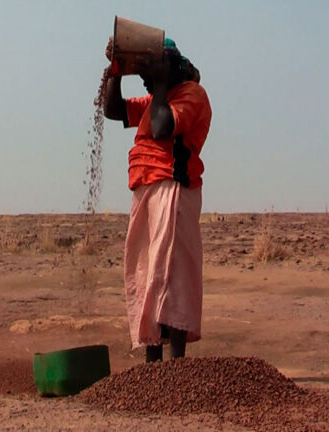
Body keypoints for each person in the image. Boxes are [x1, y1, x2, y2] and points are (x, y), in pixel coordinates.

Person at [103, 37, 212, 363]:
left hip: (173, 188)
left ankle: (176, 365)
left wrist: (161, 84)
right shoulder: (156, 100)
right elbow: (114, 110)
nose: (146, 82)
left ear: (170, 69)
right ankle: (154, 365)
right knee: (149, 273)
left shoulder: (191, 94)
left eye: (150, 74)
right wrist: (116, 71)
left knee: (172, 274)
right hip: (147, 188)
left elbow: (164, 127)